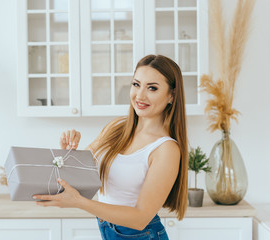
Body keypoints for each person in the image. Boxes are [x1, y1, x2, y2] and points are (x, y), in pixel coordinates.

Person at [33, 54, 188, 240]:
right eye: (136, 84)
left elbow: (140, 219)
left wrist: (79, 202)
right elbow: (80, 170)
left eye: (152, 88)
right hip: (108, 230)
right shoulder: (117, 127)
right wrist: (68, 152)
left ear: (171, 95)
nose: (140, 95)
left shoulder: (166, 149)